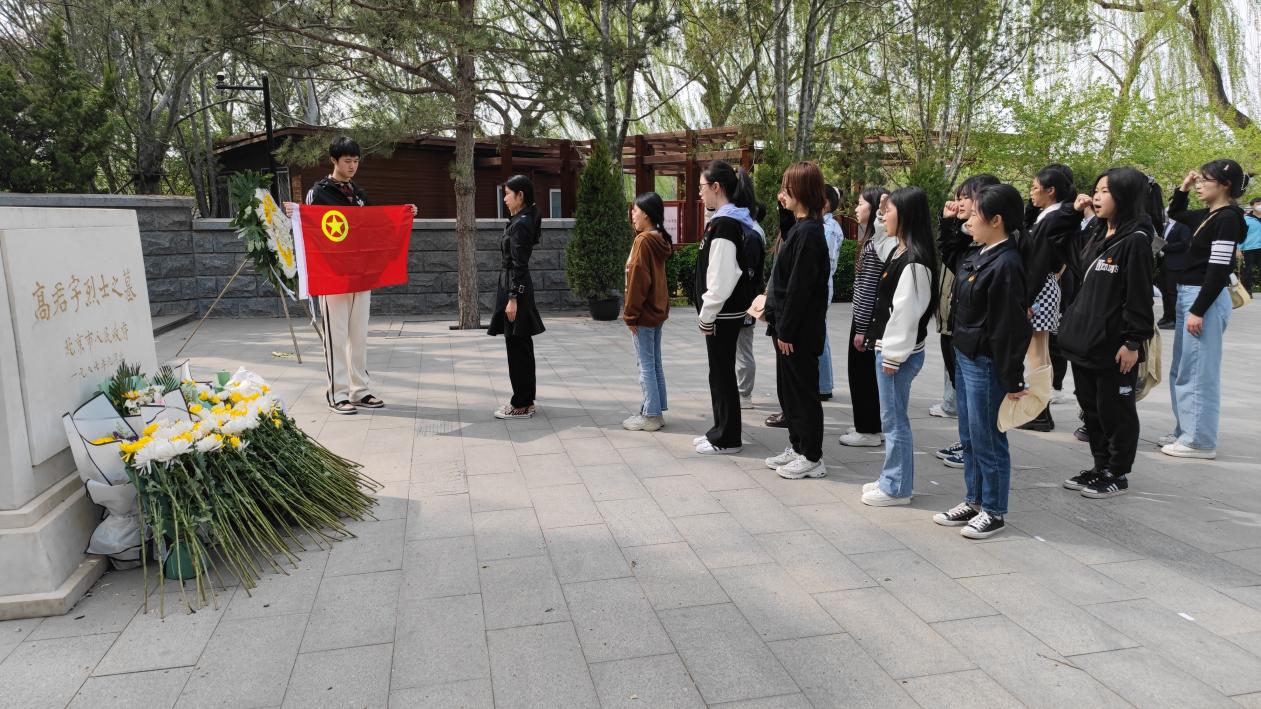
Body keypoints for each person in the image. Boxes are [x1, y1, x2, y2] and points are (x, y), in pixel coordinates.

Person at [286, 135, 416, 415]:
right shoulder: (318, 193)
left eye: (356, 161)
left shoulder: (359, 194)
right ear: (334, 160)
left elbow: (375, 227)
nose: (352, 166)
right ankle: (337, 393)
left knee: (359, 336)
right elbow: (311, 229)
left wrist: (406, 214)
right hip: (333, 277)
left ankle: (360, 390)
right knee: (336, 336)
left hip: (361, 275)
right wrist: (295, 214)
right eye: (347, 161)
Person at [933, 184, 1032, 539]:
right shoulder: (981, 252)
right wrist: (950, 223)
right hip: (966, 354)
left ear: (997, 220)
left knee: (988, 438)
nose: (968, 220)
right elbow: (952, 253)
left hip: (986, 362)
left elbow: (1010, 327)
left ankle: (994, 509)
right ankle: (974, 500)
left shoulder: (1006, 263)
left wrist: (1012, 378)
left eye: (974, 214)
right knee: (970, 436)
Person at [1054, 168, 1155, 497]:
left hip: (1115, 345)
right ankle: (1100, 466)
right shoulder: (1098, 233)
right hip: (1086, 340)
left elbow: (1139, 295)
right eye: (1096, 190)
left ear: (1125, 196)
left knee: (1116, 411)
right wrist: (1073, 214)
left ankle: (1117, 472)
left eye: (1105, 191)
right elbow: (1062, 249)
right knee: (1092, 409)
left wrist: (1133, 341)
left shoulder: (1136, 240)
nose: (1097, 197)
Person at [1160, 160, 1252, 458]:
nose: (1199, 184)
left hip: (1203, 297)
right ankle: (1185, 430)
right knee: (1182, 368)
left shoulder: (1228, 218)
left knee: (1198, 371)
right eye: (1198, 179)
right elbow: (1176, 214)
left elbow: (1219, 267)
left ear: (1225, 185)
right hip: (1191, 294)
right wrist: (1183, 188)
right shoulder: (1209, 214)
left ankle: (1199, 440)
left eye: (1205, 180)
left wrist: (1198, 310)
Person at [861, 188, 939, 506]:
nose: (883, 217)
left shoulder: (914, 260)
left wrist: (892, 356)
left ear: (905, 215)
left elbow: (906, 313)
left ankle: (897, 487)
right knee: (891, 419)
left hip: (897, 354)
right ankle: (891, 478)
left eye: (889, 211)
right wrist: (881, 212)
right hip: (893, 350)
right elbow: (880, 239)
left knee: (894, 422)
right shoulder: (900, 249)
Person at [763, 162, 831, 478]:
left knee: (803, 394)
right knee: (788, 392)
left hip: (799, 332)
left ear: (802, 190)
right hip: (786, 328)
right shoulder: (800, 228)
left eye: (787, 187)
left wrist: (787, 330)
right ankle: (798, 445)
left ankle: (812, 456)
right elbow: (787, 237)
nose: (782, 192)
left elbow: (799, 288)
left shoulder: (811, 233)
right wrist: (783, 211)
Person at [935, 174, 1000, 468]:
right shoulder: (967, 238)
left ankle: (976, 448)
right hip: (953, 327)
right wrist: (950, 224)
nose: (959, 203)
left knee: (978, 405)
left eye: (966, 197)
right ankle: (968, 444)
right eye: (958, 197)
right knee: (962, 394)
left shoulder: (995, 248)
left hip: (976, 338)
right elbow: (950, 255)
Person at [694, 160, 759, 454]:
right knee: (719, 373)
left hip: (723, 313)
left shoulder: (725, 224)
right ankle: (719, 430)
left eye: (702, 187)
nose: (700, 193)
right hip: (724, 313)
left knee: (722, 375)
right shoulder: (727, 221)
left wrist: (707, 314)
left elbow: (721, 278)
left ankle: (727, 437)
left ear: (716, 187)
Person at [1014, 164, 1076, 432]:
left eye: (1035, 188)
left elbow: (1037, 262)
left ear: (1051, 191)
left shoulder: (1054, 217)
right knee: (1041, 353)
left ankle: (1039, 413)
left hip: (1040, 288)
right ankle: (1041, 412)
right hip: (1046, 286)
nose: (1031, 192)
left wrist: (1026, 299)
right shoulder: (1052, 215)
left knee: (1037, 355)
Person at [488, 175, 546, 419]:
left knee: (517, 348)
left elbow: (519, 264)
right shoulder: (520, 219)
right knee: (520, 346)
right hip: (514, 285)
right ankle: (525, 400)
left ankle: (521, 404)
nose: (504, 198)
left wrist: (513, 298)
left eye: (508, 194)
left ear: (520, 196)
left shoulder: (521, 224)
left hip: (515, 287)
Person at [840, 186, 892, 448]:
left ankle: (868, 429)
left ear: (874, 210)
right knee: (867, 375)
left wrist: (861, 328)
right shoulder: (875, 241)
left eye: (861, 204)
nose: (856, 208)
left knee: (861, 375)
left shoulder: (874, 244)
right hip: (871, 320)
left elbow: (869, 289)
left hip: (866, 321)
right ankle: (871, 424)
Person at [623, 192, 673, 432]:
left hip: (644, 313)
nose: (632, 214)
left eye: (635, 210)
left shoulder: (643, 241)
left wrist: (630, 315)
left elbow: (638, 281)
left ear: (646, 214)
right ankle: (655, 410)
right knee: (654, 363)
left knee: (646, 365)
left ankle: (651, 415)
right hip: (657, 310)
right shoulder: (658, 238)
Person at [736, 204, 768, 410]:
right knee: (741, 346)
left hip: (745, 300)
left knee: (743, 347)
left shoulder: (752, 236)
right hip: (744, 298)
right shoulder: (753, 232)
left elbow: (749, 273)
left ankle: (743, 393)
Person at [819, 185, 844, 400]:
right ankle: (823, 384)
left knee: (819, 335)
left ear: (825, 203)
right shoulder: (831, 225)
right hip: (824, 286)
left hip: (820, 287)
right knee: (820, 334)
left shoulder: (827, 229)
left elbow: (822, 264)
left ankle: (823, 385)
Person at [1157, 194, 1194, 328]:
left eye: (1173, 204)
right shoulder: (1167, 224)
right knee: (1165, 291)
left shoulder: (1183, 224)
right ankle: (1167, 316)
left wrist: (1164, 247)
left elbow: (1184, 244)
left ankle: (1174, 319)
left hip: (1176, 264)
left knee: (1173, 292)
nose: (1169, 208)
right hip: (1165, 263)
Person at [1243, 197, 1261, 293]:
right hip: (1249, 248)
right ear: (1252, 206)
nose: (1260, 206)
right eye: (1258, 204)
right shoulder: (1246, 219)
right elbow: (1241, 234)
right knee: (1248, 270)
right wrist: (1238, 248)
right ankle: (1247, 290)